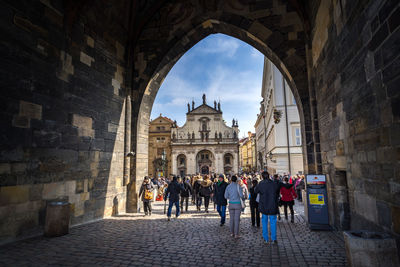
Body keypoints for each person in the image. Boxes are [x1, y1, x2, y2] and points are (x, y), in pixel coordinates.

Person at [255, 171, 281, 244]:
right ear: (269, 176)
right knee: (273, 222)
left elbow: (255, 191)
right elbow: (278, 192)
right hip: (272, 205)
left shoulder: (261, 183)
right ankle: (273, 238)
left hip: (264, 205)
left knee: (264, 222)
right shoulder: (274, 183)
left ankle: (266, 238)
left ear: (262, 176)